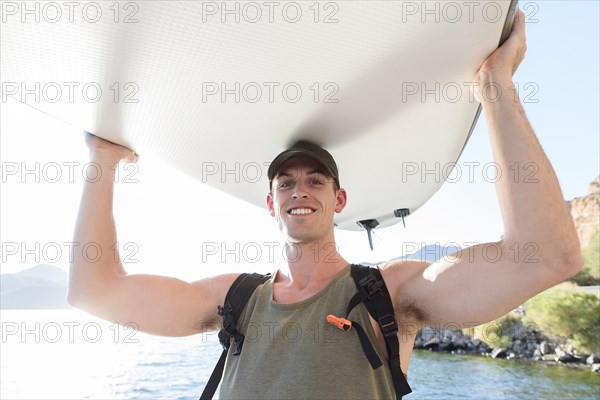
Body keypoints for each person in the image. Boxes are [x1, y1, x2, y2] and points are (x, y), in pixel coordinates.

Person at [68, 9, 582, 399]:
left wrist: (495, 86)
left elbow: (546, 256)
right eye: (285, 183)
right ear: (271, 205)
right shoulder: (236, 300)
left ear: (338, 200)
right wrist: (104, 162)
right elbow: (97, 292)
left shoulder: (388, 293)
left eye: (315, 180)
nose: (299, 190)